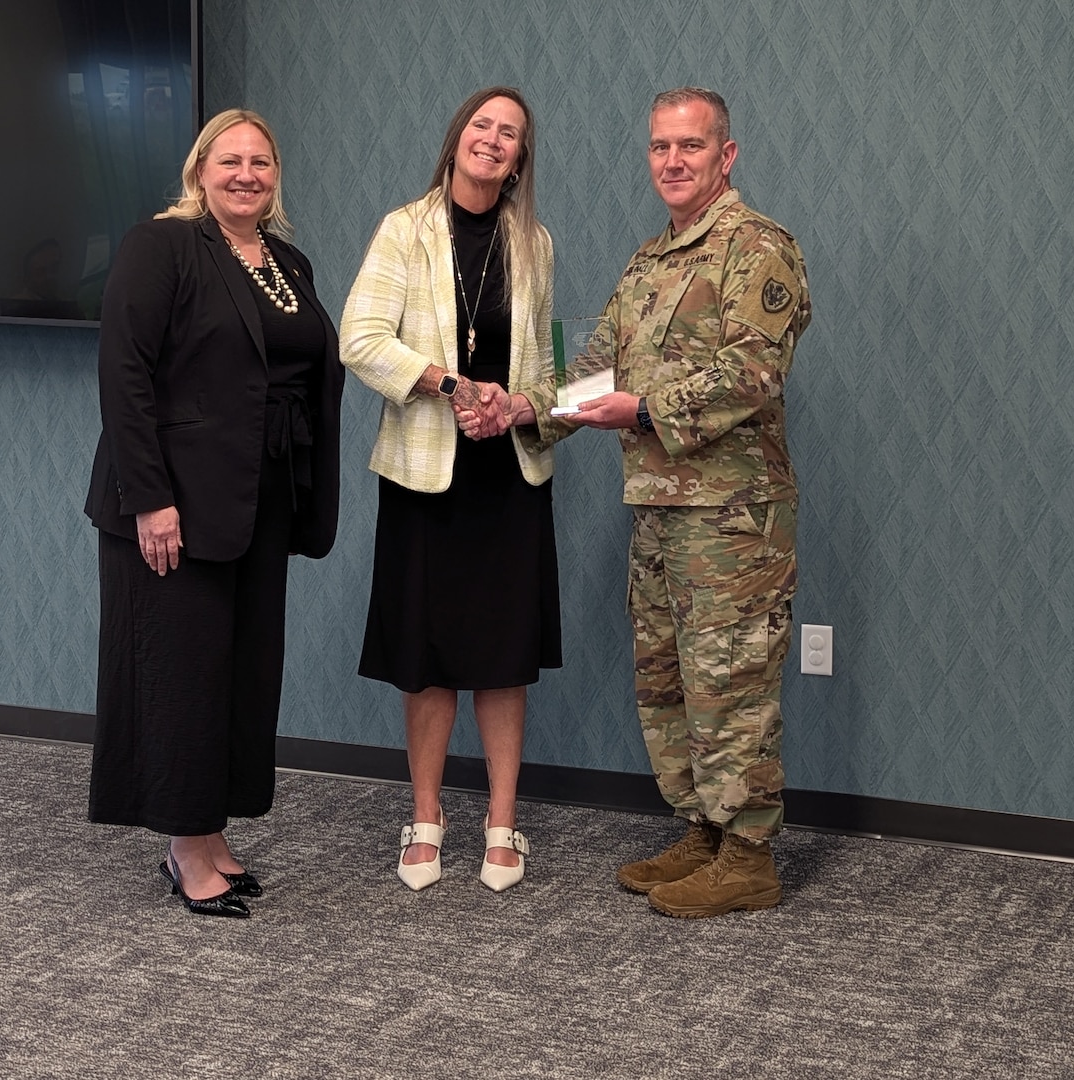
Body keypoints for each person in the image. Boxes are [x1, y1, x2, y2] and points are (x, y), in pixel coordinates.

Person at [466, 87, 811, 917]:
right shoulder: (650, 263)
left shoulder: (755, 249)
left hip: (734, 518)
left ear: (725, 155)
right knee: (669, 682)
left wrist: (646, 409)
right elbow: (595, 370)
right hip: (658, 512)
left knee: (730, 683)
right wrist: (522, 408)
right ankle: (702, 829)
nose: (673, 160)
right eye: (660, 146)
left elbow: (750, 375)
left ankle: (750, 854)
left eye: (690, 146)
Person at [84, 108, 345, 918]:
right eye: (229, 160)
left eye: (260, 162)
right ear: (201, 171)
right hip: (176, 507)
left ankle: (214, 830)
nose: (246, 174)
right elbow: (123, 373)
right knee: (182, 677)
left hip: (261, 498)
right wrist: (149, 501)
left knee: (240, 674)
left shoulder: (286, 261)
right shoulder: (160, 246)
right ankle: (184, 847)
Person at [339, 86, 560, 893]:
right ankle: (425, 819)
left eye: (510, 134)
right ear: (456, 138)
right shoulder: (405, 229)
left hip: (509, 477)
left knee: (504, 659)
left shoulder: (534, 242)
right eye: (482, 126)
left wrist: (520, 401)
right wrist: (446, 384)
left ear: (519, 157)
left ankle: (503, 823)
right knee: (425, 657)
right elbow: (358, 339)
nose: (493, 141)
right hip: (424, 478)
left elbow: (553, 351)